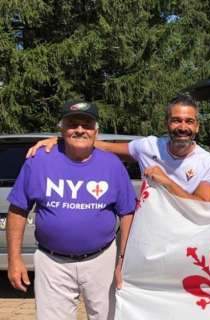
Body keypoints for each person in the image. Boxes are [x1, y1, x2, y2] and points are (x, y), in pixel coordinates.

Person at [6, 101, 136, 320]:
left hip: (102, 260)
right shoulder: (38, 160)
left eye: (86, 124)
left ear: (96, 131)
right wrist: (14, 259)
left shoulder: (112, 165)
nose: (79, 129)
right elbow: (17, 210)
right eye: (72, 123)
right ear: (61, 127)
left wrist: (123, 259)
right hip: (52, 262)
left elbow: (127, 213)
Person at [27, 95, 210, 201]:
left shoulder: (208, 162)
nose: (183, 127)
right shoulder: (148, 145)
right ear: (166, 123)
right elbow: (103, 147)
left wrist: (166, 182)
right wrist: (60, 139)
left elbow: (203, 206)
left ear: (197, 126)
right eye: (176, 120)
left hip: (186, 237)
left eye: (189, 121)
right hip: (150, 236)